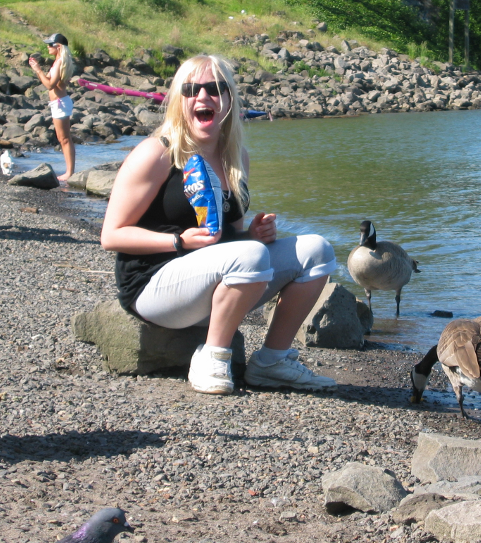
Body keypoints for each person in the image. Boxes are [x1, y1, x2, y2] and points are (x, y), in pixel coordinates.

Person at [101, 54, 338, 396]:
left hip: (212, 288)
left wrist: (251, 234)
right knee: (251, 255)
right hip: (153, 289)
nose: (203, 97)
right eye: (192, 89)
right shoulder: (157, 153)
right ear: (178, 99)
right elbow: (111, 235)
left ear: (229, 99)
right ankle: (212, 357)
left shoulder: (236, 158)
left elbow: (230, 241)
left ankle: (272, 361)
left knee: (317, 251)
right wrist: (179, 241)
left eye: (215, 89)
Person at [29, 34, 76, 182]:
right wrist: (38, 70)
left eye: (51, 44)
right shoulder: (59, 61)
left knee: (65, 139)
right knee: (64, 138)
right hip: (59, 103)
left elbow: (49, 85)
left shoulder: (60, 61)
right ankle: (70, 171)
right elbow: (49, 81)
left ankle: (69, 172)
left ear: (59, 47)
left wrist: (38, 70)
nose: (48, 47)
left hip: (60, 103)